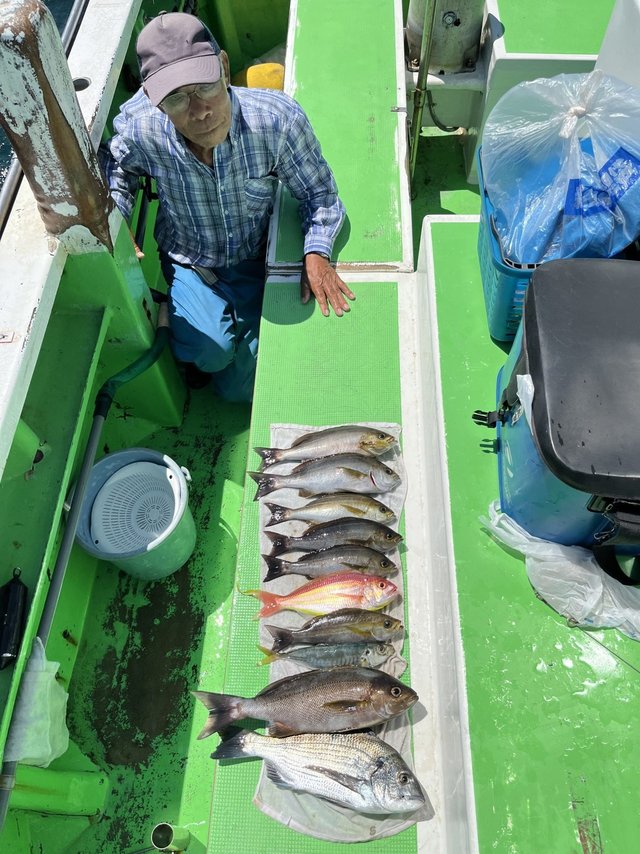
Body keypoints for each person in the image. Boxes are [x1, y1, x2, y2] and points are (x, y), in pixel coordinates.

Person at [101, 11, 354, 401]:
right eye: (175, 98)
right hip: (189, 258)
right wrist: (117, 219)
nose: (200, 110)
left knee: (242, 390)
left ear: (223, 66)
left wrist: (317, 250)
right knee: (210, 350)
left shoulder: (278, 121)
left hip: (254, 256)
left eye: (206, 86)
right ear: (153, 101)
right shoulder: (139, 128)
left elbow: (319, 193)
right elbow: (118, 167)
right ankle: (186, 338)